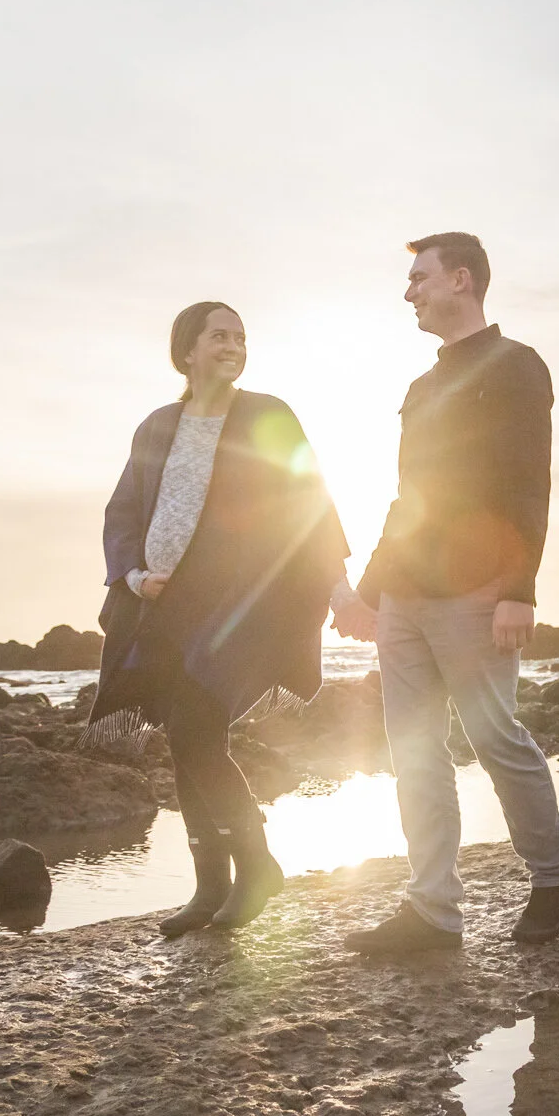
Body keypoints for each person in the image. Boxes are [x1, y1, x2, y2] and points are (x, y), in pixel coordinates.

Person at [337, 232, 559, 954]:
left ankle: (553, 872)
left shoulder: (516, 367)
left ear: (462, 281)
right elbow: (407, 498)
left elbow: (527, 483)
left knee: (495, 737)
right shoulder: (420, 388)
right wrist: (371, 589)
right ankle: (434, 912)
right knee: (413, 750)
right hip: (406, 597)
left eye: (420, 277)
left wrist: (519, 589)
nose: (408, 291)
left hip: (478, 591)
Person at [90, 301, 349, 936]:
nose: (232, 345)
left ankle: (257, 867)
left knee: (199, 731)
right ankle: (210, 886)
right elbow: (122, 512)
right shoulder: (157, 427)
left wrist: (338, 584)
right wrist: (132, 576)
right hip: (162, 610)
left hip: (240, 609)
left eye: (240, 337)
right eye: (219, 336)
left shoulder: (266, 414)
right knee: (183, 741)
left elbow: (307, 495)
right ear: (187, 351)